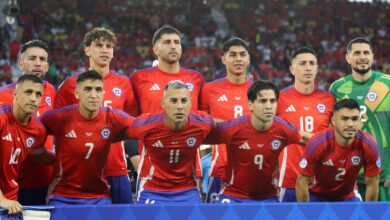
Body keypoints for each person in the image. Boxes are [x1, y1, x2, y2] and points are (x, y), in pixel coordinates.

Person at [53, 27, 138, 204]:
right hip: (81, 172)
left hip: (117, 168)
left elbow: (131, 128)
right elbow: (57, 129)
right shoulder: (70, 85)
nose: (105, 50)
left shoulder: (124, 83)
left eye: (109, 46)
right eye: (99, 45)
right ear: (87, 50)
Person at [209, 80, 308, 203]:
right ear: (250, 104)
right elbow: (200, 137)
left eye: (272, 101)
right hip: (233, 195)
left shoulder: (284, 129)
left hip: (268, 196)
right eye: (262, 101)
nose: (268, 106)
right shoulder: (233, 128)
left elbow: (312, 140)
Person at [42, 70, 131, 205]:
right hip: (62, 195)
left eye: (98, 90)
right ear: (77, 94)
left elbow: (141, 128)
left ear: (103, 94)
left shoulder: (113, 117)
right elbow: (33, 128)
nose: (93, 95)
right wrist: (38, 151)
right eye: (88, 89)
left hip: (99, 196)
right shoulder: (59, 117)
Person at [126, 80, 213, 204]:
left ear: (190, 104)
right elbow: (119, 133)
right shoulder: (146, 125)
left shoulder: (203, 123)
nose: (179, 106)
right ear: (163, 103)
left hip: (187, 189)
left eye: (184, 101)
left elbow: (227, 130)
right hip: (152, 189)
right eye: (173, 101)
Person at [329, 37, 390, 201]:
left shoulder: (387, 84)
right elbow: (333, 131)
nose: (362, 57)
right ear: (348, 57)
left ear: (372, 56)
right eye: (357, 53)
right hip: (349, 176)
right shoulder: (337, 88)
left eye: (366, 52)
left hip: (384, 176)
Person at [0, 39, 56, 205]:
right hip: (11, 182)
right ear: (21, 64)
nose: (37, 63)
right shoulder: (2, 96)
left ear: (47, 66)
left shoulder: (51, 91)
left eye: (42, 59)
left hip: (43, 179)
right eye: (32, 58)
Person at [277, 47, 335, 202]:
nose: (308, 67)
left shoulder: (329, 99)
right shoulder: (279, 98)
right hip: (290, 180)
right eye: (302, 63)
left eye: (312, 63)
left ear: (317, 69)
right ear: (292, 69)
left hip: (321, 181)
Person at [296, 99, 381, 202]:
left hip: (348, 196)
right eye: (344, 119)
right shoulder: (317, 143)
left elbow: (372, 182)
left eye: (354, 119)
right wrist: (306, 214)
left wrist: (369, 214)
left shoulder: (368, 144)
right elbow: (301, 182)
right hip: (317, 196)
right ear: (333, 121)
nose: (350, 124)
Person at [199, 37, 252, 202]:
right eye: (233, 55)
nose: (238, 59)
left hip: (253, 170)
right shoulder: (209, 90)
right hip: (219, 170)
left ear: (248, 59)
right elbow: (202, 128)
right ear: (223, 59)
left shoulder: (259, 91)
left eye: (242, 54)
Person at [0, 75, 52, 214]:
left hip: (11, 199)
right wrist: (2, 200)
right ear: (15, 94)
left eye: (38, 94)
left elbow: (39, 155)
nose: (33, 98)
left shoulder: (38, 130)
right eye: (28, 92)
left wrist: (66, 158)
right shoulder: (1, 118)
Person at [130, 25, 205, 114]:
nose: (173, 46)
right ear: (155, 49)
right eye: (167, 42)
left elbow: (203, 117)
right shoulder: (138, 78)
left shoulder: (196, 78)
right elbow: (132, 118)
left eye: (177, 42)